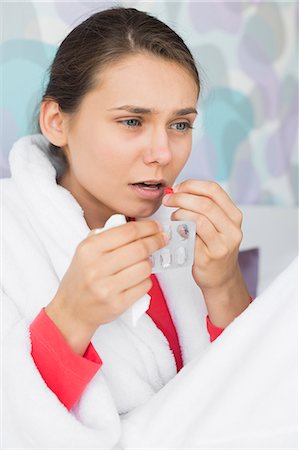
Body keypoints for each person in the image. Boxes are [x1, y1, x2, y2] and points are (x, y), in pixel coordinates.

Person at [2, 6, 268, 448]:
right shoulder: (8, 232)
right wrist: (71, 317)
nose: (163, 152)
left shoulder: (189, 235)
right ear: (57, 122)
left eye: (180, 124)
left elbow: (261, 402)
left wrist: (224, 285)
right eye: (132, 121)